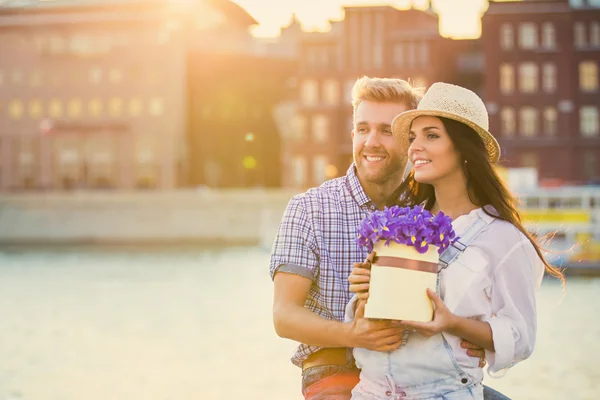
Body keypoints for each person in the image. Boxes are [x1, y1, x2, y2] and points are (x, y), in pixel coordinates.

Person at [270, 77, 510, 400]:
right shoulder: (308, 209)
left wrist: (473, 337)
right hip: (333, 370)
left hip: (423, 373)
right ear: (353, 133)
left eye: (386, 131)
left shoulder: (430, 212)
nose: (371, 141)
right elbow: (284, 316)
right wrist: (354, 334)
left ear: (409, 142)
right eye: (363, 128)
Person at [345, 82, 566, 399]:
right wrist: (366, 291)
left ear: (464, 148)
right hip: (370, 391)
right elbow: (370, 325)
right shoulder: (400, 223)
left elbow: (521, 337)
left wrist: (453, 323)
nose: (414, 148)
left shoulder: (504, 238)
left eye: (431, 135)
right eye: (412, 137)